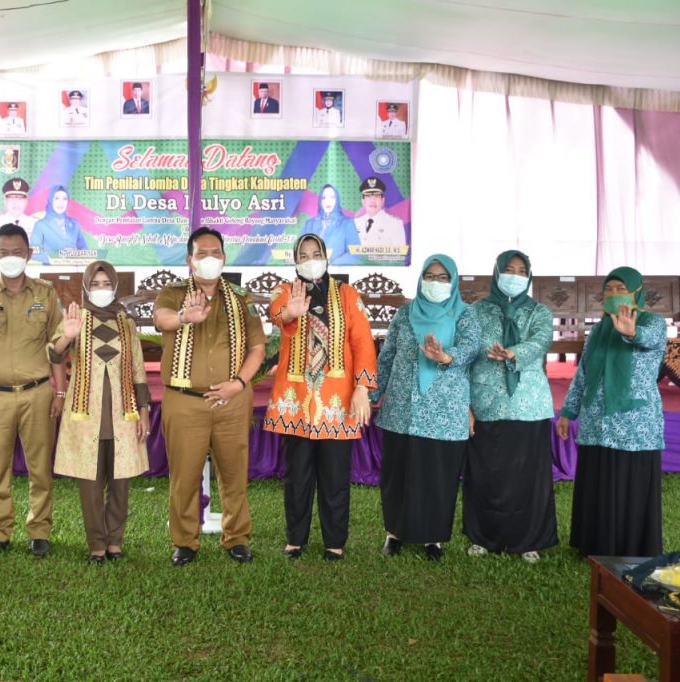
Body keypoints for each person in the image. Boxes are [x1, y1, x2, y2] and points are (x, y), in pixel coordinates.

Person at [153, 227, 267, 566]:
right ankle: (185, 541)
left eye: (215, 252)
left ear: (224, 257)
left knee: (234, 474)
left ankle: (237, 538)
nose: (209, 259)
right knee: (184, 476)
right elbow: (161, 320)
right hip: (185, 400)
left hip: (232, 399)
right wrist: (185, 317)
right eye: (202, 253)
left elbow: (258, 348)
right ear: (190, 261)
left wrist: (239, 383)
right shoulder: (173, 294)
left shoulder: (241, 298)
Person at [264, 234, 377, 561]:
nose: (310, 258)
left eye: (316, 253)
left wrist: (362, 388)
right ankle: (295, 539)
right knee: (297, 474)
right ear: (295, 259)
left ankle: (334, 541)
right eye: (304, 254)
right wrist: (290, 313)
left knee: (335, 475)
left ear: (326, 257)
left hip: (337, 401)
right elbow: (276, 313)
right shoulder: (286, 291)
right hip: (296, 399)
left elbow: (363, 344)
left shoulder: (347, 295)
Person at [0, 224, 67, 559]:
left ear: (29, 253)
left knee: (39, 467)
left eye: (17, 251)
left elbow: (57, 346)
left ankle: (39, 531)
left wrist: (60, 392)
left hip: (37, 392)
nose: (10, 257)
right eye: (3, 252)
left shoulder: (45, 294)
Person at [370, 254, 480, 561]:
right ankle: (395, 532)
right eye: (430, 276)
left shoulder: (464, 315)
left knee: (438, 475)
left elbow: (473, 347)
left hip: (444, 411)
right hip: (401, 409)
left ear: (454, 281)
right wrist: (370, 394)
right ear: (420, 279)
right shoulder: (405, 314)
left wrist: (447, 357)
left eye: (443, 278)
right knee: (398, 474)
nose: (436, 283)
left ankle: (434, 538)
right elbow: (387, 356)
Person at [557, 266, 666, 557]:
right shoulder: (598, 331)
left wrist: (631, 332)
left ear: (636, 293)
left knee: (628, 485)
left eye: (622, 289)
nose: (615, 294)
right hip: (597, 421)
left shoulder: (653, 323)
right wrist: (568, 411)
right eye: (609, 289)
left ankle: (630, 548)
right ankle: (593, 545)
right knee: (599, 482)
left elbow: (649, 340)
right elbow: (583, 373)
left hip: (635, 424)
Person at [48, 261, 151, 563]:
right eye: (96, 284)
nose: (102, 290)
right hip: (86, 415)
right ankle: (96, 544)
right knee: (90, 484)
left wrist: (144, 411)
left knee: (120, 481)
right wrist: (68, 335)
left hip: (123, 415)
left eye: (107, 285)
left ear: (116, 287)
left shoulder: (126, 323)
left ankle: (115, 542)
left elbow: (138, 370)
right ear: (86, 287)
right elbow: (54, 353)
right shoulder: (75, 318)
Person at [465, 251, 557, 563]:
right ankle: (482, 537)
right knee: (485, 473)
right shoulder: (477, 311)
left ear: (529, 276)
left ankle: (528, 539)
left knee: (527, 476)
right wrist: (467, 405)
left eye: (521, 270)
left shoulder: (539, 312)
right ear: (496, 272)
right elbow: (467, 353)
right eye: (508, 269)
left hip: (527, 403)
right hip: (486, 401)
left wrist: (513, 353)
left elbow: (542, 341)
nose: (514, 275)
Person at [299, 184, 361, 265]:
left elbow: (355, 254)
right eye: (324, 198)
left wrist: (333, 264)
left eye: (332, 197)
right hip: (310, 273)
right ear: (320, 201)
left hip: (336, 273)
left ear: (337, 200)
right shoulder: (309, 224)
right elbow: (300, 250)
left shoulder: (347, 223)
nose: (328, 201)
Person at [31, 185, 88, 264]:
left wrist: (75, 255)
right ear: (51, 200)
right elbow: (34, 253)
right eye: (57, 198)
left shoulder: (74, 223)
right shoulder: (40, 225)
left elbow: (85, 248)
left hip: (74, 270)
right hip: (50, 272)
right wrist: (58, 256)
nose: (61, 203)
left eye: (64, 199)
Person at [354, 177, 406, 246]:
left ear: (382, 200)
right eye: (368, 196)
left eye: (376, 196)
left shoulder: (395, 224)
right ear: (363, 201)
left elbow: (400, 254)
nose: (373, 200)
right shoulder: (355, 223)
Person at [0, 178, 36, 246]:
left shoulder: (35, 223)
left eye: (20, 198)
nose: (16, 202)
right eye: (12, 198)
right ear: (5, 201)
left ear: (26, 201)